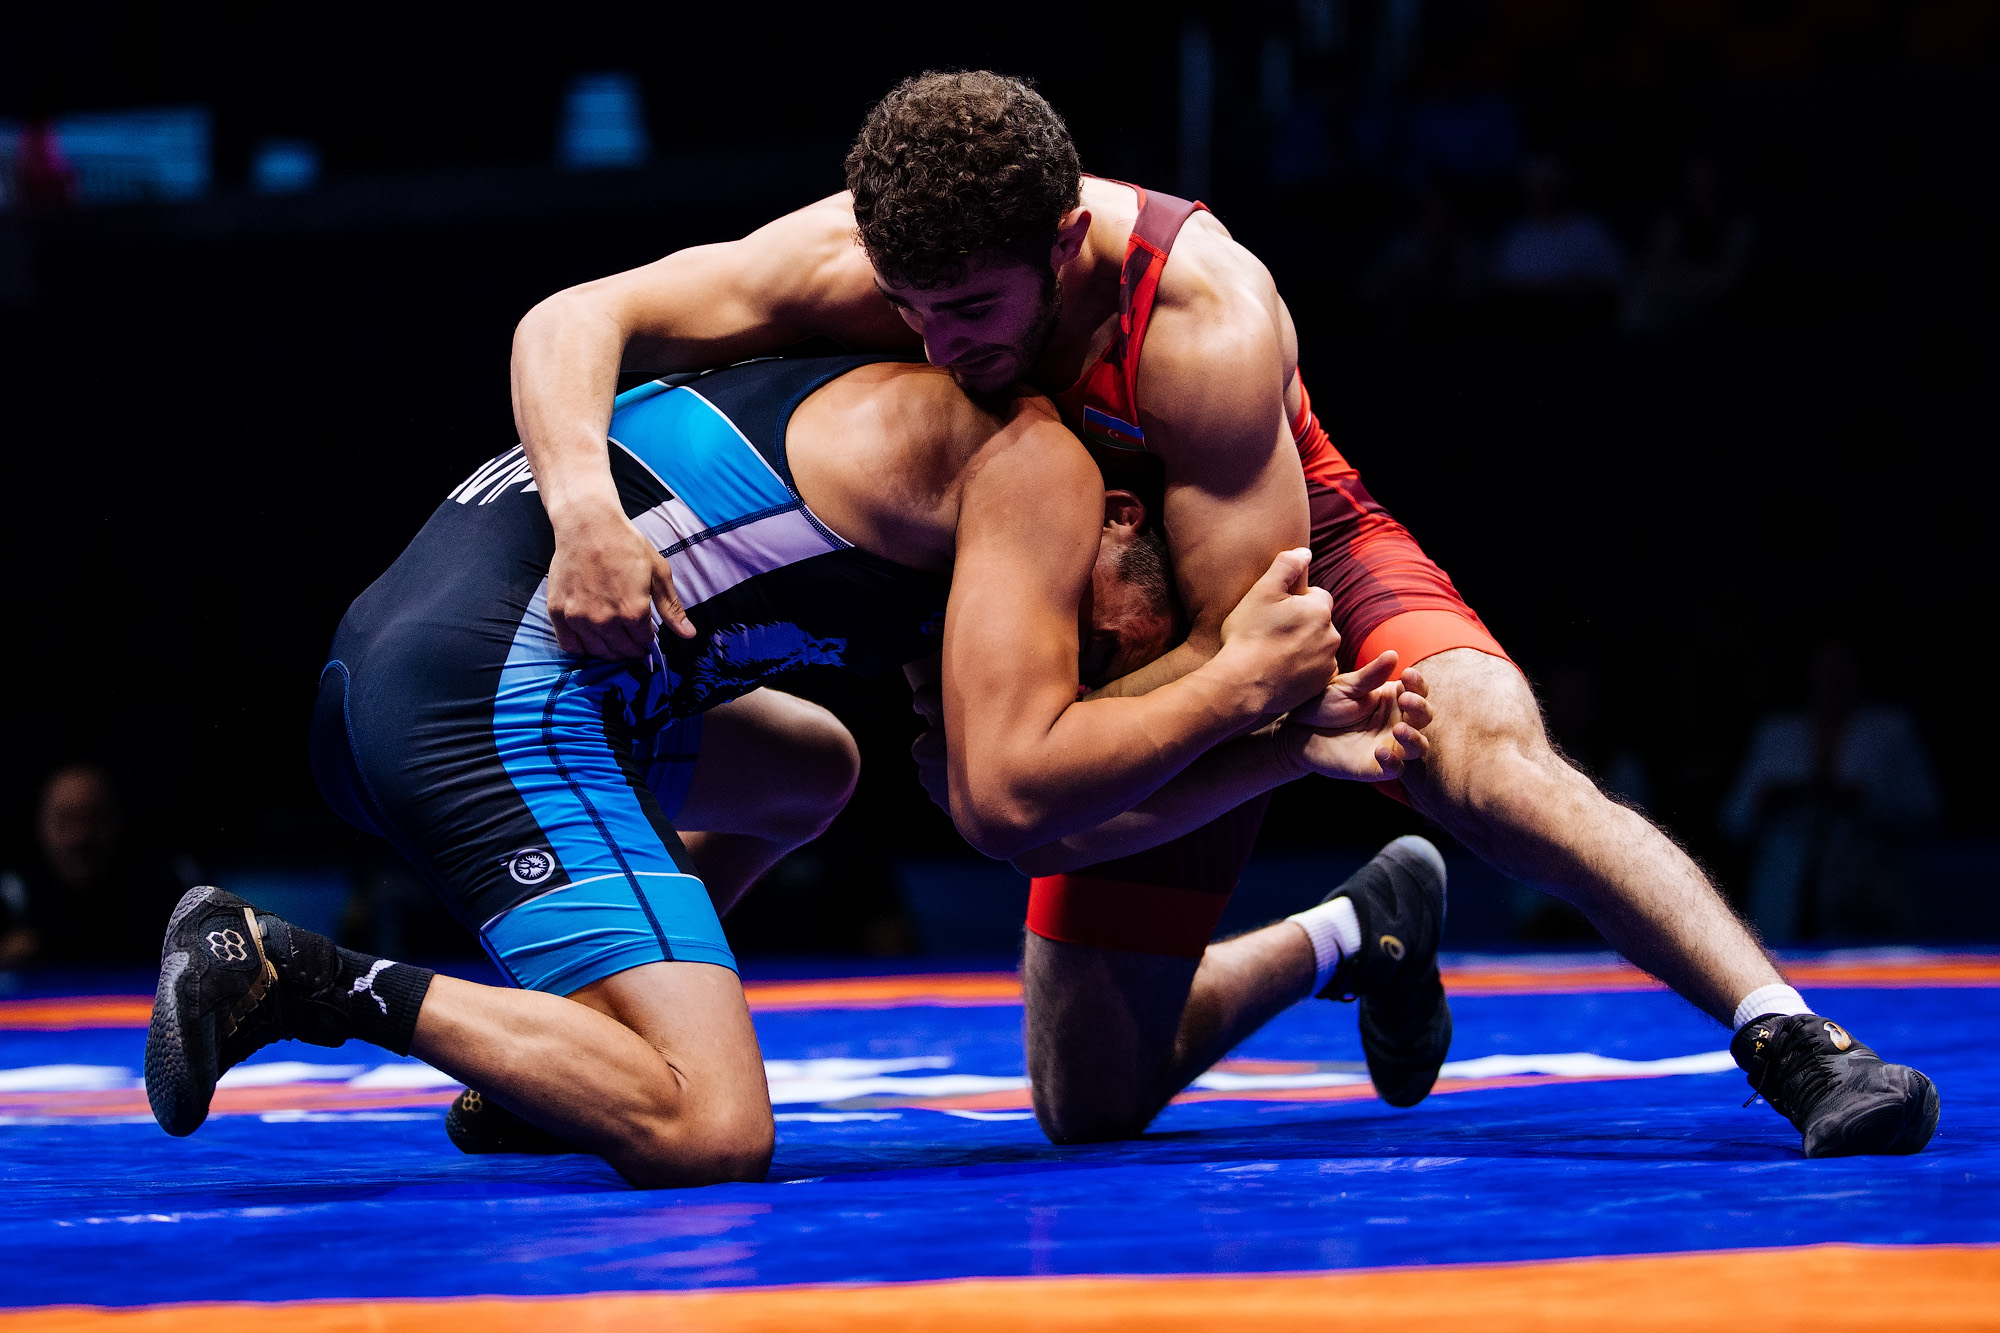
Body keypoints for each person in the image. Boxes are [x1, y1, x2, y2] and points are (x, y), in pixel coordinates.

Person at [503, 71, 1938, 1158]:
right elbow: (573, 318)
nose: (940, 344)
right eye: (912, 307)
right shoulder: (875, 257)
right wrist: (582, 511)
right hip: (1067, 594)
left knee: (1477, 758)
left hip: (1279, 574)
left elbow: (1254, 645)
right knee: (1086, 1098)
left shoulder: (1201, 320)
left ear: (1066, 240)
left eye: (973, 311)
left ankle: (1791, 1038)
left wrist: (1079, 733)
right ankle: (1356, 926)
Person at [145, 353, 1430, 1187]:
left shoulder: (949, 531)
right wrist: (1234, 694)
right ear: (1120, 515)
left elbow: (1022, 819)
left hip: (413, 665)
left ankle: (570, 1057)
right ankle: (293, 971)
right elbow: (1013, 802)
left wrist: (1279, 750)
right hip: (484, 687)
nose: (1082, 674)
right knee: (709, 1127)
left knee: (809, 766)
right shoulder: (1030, 467)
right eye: (1114, 647)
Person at [1, 763, 195, 969]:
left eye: (94, 818)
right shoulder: (13, 897)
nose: (80, 836)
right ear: (41, 825)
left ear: (119, 820)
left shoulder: (174, 889)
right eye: (65, 820)